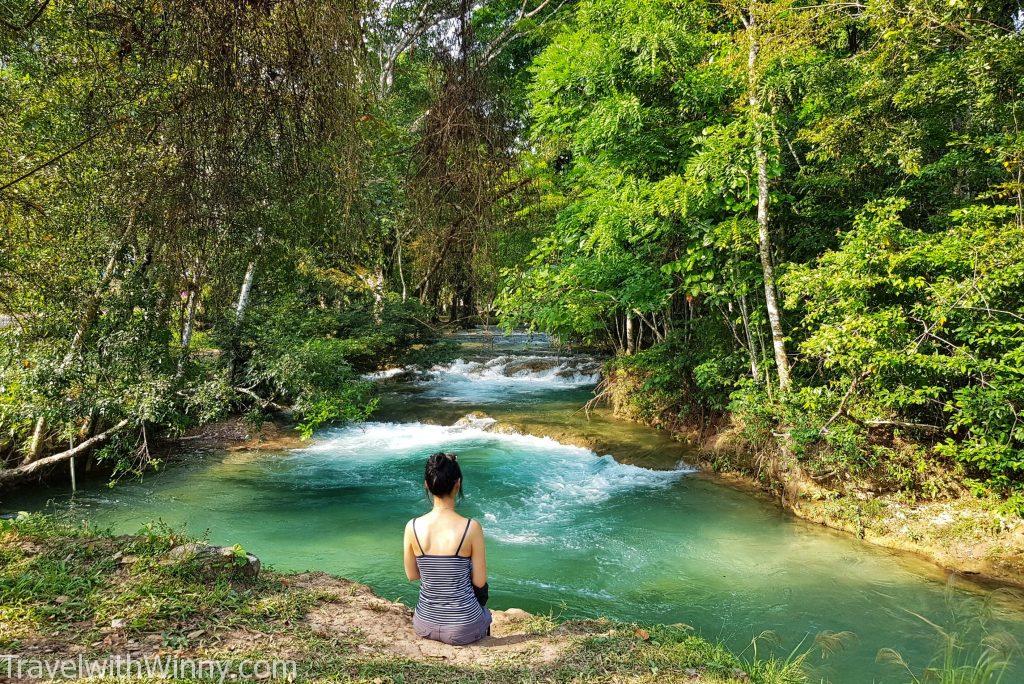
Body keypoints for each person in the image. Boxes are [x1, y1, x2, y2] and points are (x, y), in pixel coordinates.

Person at [404, 451, 491, 645]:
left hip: (424, 624)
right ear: (457, 483)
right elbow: (480, 581)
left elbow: (412, 575)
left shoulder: (412, 527)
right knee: (485, 613)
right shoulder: (471, 527)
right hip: (463, 626)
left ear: (427, 485)